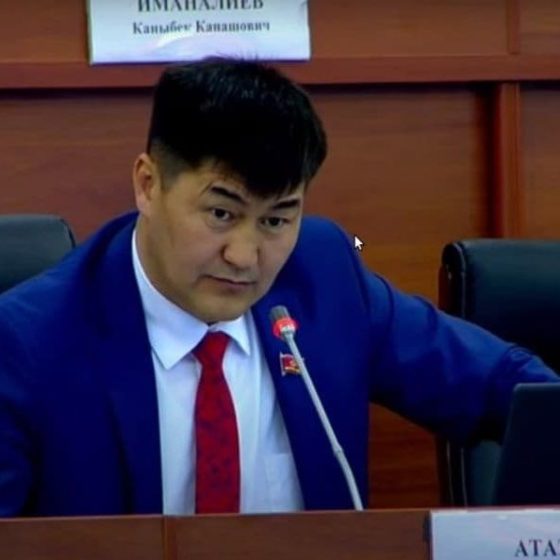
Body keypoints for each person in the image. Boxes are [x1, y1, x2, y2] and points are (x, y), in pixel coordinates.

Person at [0, 59, 556, 517]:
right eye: (221, 213)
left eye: (275, 220)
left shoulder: (323, 276)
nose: (245, 257)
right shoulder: (29, 342)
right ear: (148, 185)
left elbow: (506, 386)